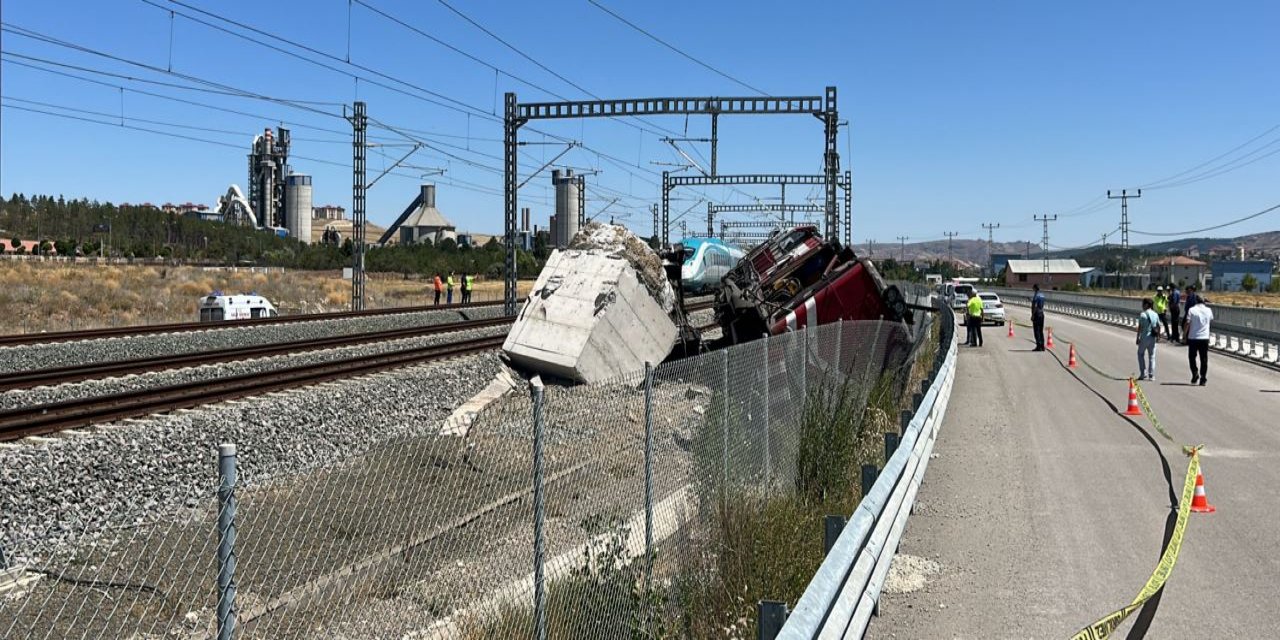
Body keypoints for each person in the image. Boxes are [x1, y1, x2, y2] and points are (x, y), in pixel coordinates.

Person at [1184, 300, 1213, 386]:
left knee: (1192, 357)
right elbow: (1210, 320)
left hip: (1193, 337)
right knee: (1204, 359)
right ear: (1204, 302)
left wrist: (1184, 335)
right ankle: (1203, 378)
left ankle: (1195, 373)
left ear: (1196, 301)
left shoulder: (1191, 310)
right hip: (1204, 337)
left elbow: (1187, 322)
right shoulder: (1209, 310)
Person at [1136, 298, 1159, 381]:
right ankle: (1151, 375)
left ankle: (1143, 373)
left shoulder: (1143, 315)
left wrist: (1137, 337)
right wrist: (1158, 337)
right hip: (1153, 338)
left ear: (1146, 305)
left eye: (1143, 304)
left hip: (1144, 337)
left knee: (1140, 354)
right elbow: (1158, 325)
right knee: (1152, 356)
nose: (1142, 305)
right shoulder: (1155, 314)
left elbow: (1140, 327)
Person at [1031, 284, 1047, 351]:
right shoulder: (1042, 295)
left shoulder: (1036, 296)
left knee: (1036, 331)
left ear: (1035, 288)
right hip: (1042, 314)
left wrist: (1033, 315)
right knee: (1041, 331)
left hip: (1037, 314)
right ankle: (1042, 346)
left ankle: (1038, 346)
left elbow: (1035, 306)